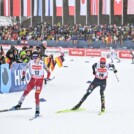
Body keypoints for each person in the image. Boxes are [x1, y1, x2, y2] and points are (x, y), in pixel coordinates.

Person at [13, 51, 50, 117]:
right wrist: (23, 75)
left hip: (39, 81)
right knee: (26, 92)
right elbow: (24, 69)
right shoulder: (30, 62)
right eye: (33, 57)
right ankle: (19, 104)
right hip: (32, 80)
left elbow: (48, 71)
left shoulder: (42, 63)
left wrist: (47, 78)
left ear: (38, 56)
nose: (34, 58)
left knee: (37, 95)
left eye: (36, 57)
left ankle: (37, 110)